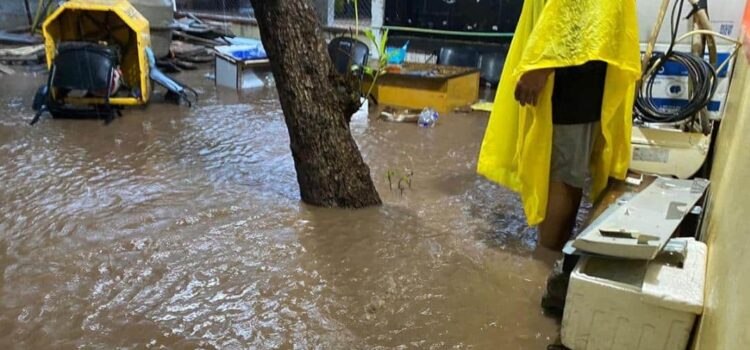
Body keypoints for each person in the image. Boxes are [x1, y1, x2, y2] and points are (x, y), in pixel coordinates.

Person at [476, 0, 642, 313]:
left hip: (571, 68)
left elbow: (580, 7)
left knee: (564, 172)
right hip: (576, 61)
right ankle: (551, 259)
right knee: (566, 168)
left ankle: (545, 267)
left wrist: (545, 61)